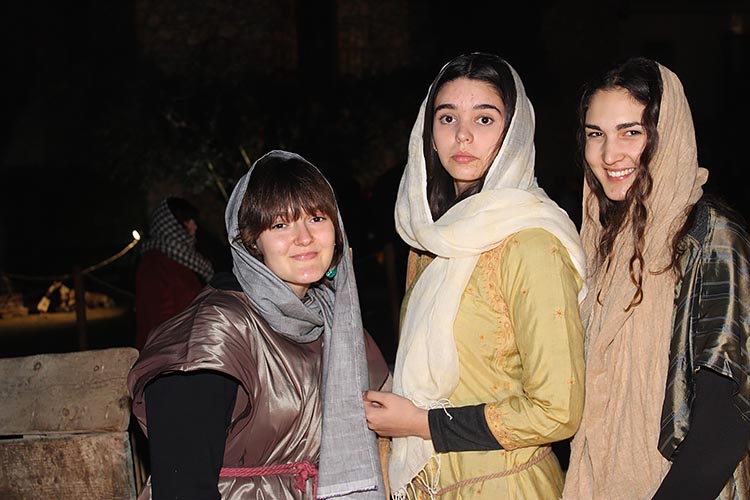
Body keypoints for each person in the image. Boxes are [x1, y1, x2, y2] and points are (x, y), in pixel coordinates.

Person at [363, 52, 587, 499]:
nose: (462, 135)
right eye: (447, 118)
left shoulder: (531, 243)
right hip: (430, 485)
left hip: (506, 486)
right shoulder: (432, 240)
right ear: (428, 134)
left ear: (514, 132)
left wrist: (423, 424)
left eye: (484, 119)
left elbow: (558, 410)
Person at [127, 150, 388, 500]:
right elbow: (181, 486)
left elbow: (386, 405)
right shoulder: (214, 335)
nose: (304, 237)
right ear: (250, 240)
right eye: (280, 224)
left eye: (316, 218)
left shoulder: (334, 323)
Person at [562, 57, 750, 500]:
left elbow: (727, 417)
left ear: (668, 134)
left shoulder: (710, 236)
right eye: (595, 134)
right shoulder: (600, 237)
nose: (609, 155)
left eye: (631, 132)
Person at [134, 196, 214, 350]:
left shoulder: (188, 259)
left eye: (193, 221)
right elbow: (159, 318)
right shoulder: (154, 262)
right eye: (187, 222)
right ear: (170, 225)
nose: (194, 227)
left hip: (190, 346)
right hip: (167, 351)